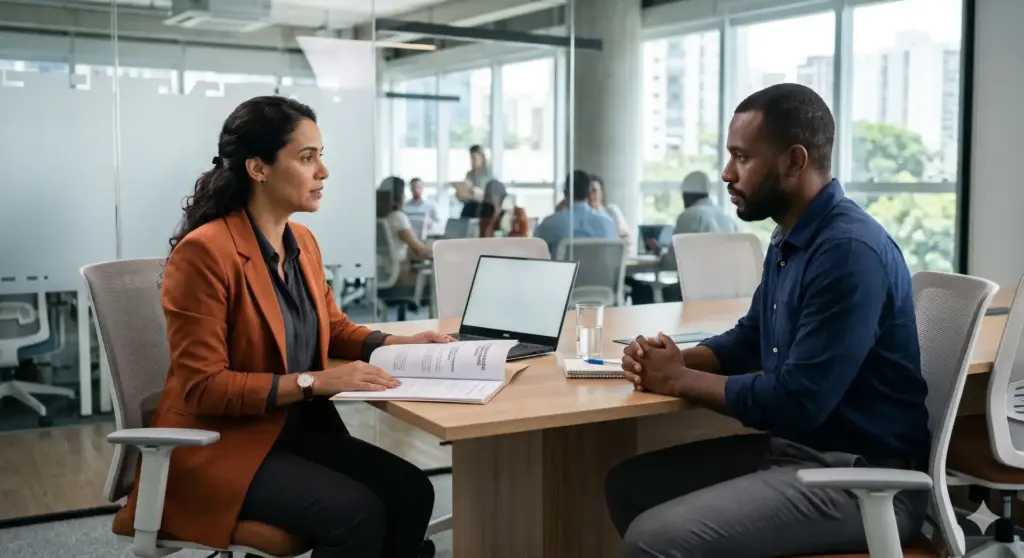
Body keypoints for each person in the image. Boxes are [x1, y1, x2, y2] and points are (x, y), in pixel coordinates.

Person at [604, 83, 931, 557]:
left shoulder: (847, 252)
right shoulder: (790, 236)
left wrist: (677, 379)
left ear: (794, 161)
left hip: (861, 478)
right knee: (628, 486)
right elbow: (752, 337)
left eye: (742, 157)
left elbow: (797, 401)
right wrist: (674, 358)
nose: (726, 173)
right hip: (798, 451)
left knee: (653, 541)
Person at [142, 96, 453, 558]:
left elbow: (334, 328)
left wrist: (400, 343)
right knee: (357, 514)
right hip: (223, 444)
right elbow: (204, 387)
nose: (322, 171)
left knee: (412, 491)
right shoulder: (205, 253)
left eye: (321, 156)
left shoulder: (301, 242)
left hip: (292, 432)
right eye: (307, 158)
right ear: (258, 168)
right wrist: (316, 381)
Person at [629, 171, 740, 304]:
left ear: (687, 195)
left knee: (640, 290)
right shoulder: (726, 217)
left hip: (696, 292)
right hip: (729, 293)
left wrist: (660, 251)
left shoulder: (689, 216)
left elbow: (672, 263)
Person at [533, 169, 619, 258]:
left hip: (566, 272)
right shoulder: (607, 223)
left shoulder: (550, 223)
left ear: (565, 192)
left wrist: (558, 212)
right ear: (589, 192)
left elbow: (533, 250)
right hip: (601, 272)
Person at [377, 176, 433, 284]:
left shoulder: (381, 217)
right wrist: (444, 249)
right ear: (399, 196)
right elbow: (420, 250)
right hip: (398, 277)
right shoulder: (397, 217)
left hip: (382, 274)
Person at [588, 175, 630, 239]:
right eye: (588, 191)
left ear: (601, 193)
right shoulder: (584, 217)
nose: (591, 195)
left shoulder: (612, 211)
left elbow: (625, 237)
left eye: (594, 190)